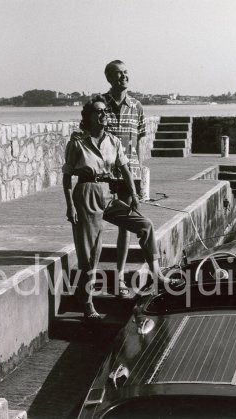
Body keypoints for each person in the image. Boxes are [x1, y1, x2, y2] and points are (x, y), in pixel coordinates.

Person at [62, 96, 166, 319]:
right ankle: (88, 303)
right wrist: (70, 205)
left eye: (105, 112)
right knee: (91, 255)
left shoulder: (114, 141)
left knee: (145, 225)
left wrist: (135, 194)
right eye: (98, 112)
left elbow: (126, 169)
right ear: (88, 117)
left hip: (108, 194)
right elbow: (67, 177)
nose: (103, 115)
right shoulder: (77, 142)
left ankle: (157, 275)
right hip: (86, 194)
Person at [102, 60, 146, 295]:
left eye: (126, 73)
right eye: (118, 74)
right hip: (104, 176)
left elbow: (140, 142)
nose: (123, 77)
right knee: (98, 224)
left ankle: (119, 277)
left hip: (130, 175)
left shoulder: (136, 106)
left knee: (125, 227)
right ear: (109, 78)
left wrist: (141, 174)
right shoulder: (99, 104)